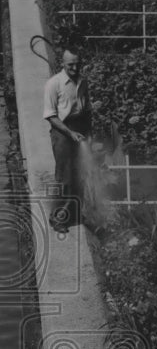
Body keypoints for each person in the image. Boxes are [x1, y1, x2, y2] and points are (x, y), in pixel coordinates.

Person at [43, 47, 93, 233]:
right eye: (70, 64)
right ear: (62, 64)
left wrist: (89, 133)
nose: (75, 67)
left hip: (79, 129)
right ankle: (58, 218)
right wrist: (70, 133)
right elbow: (50, 116)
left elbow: (87, 109)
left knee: (80, 174)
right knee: (64, 176)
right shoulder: (53, 84)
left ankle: (75, 213)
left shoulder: (83, 81)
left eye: (77, 63)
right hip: (62, 132)